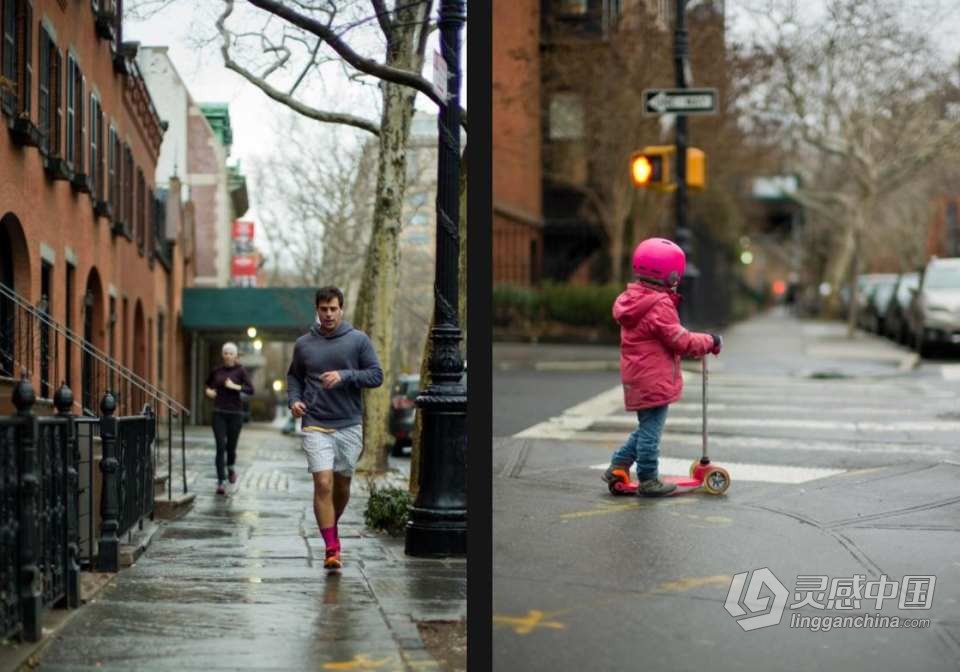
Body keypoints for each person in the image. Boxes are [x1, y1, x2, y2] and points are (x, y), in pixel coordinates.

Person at [601, 238, 722, 497]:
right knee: (651, 434)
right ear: (671, 274)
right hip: (653, 379)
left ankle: (618, 465)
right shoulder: (659, 304)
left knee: (647, 428)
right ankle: (648, 479)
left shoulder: (634, 299)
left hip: (639, 376)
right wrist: (709, 341)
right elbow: (680, 340)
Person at [286, 286, 383, 570]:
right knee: (323, 483)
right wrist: (294, 401)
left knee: (342, 484)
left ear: (341, 309)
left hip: (349, 423)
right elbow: (294, 377)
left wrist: (345, 375)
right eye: (323, 309)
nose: (328, 314)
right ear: (317, 310)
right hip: (315, 422)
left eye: (333, 309)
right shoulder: (304, 344)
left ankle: (331, 526)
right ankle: (331, 547)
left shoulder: (358, 341)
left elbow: (376, 375)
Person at [205, 342, 254, 496]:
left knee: (231, 447)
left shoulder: (241, 371)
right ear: (223, 355)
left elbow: (251, 389)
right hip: (219, 412)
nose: (228, 356)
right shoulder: (216, 371)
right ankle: (221, 482)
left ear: (235, 356)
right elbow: (208, 385)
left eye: (231, 353)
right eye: (225, 353)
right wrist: (209, 392)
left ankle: (231, 467)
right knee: (220, 446)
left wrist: (235, 386)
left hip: (235, 414)